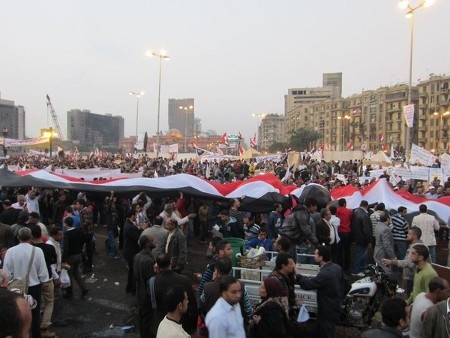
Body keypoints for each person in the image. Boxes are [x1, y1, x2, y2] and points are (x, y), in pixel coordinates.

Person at [3, 227, 49, 338]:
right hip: (34, 287)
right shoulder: (37, 251)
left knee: (17, 315)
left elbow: (6, 273)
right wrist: (44, 283)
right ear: (31, 237)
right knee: (35, 315)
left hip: (15, 287)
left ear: (18, 237)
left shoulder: (10, 251)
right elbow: (43, 273)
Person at [295, 245, 346, 338]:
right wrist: (339, 297)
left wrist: (297, 273)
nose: (314, 256)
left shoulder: (324, 273)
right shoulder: (337, 268)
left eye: (315, 254)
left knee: (327, 333)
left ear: (321, 257)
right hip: (334, 307)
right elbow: (347, 284)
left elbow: (307, 285)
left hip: (326, 310)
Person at [149, 253, 198, 337]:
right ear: (170, 262)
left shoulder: (153, 281)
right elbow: (193, 305)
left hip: (161, 321)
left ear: (157, 265)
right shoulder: (183, 280)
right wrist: (193, 325)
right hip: (182, 322)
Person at [382, 227, 427, 296]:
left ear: (415, 236)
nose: (407, 235)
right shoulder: (419, 246)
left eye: (409, 234)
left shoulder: (416, 248)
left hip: (413, 278)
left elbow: (409, 263)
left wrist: (392, 262)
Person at [30, 225, 57, 338]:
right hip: (47, 278)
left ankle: (35, 325)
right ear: (41, 234)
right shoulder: (49, 248)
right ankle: (44, 326)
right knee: (49, 302)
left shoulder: (30, 250)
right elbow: (54, 261)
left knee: (36, 304)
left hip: (34, 280)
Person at [133, 234, 156, 338]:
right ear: (147, 244)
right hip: (147, 296)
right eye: (152, 240)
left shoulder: (137, 256)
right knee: (147, 320)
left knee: (142, 318)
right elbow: (151, 282)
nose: (154, 241)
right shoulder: (149, 261)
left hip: (140, 293)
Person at [61, 217, 88, 300]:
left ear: (66, 224)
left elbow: (66, 248)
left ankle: (69, 293)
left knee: (69, 274)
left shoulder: (67, 234)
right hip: (79, 255)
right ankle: (84, 288)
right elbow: (84, 240)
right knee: (76, 273)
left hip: (70, 257)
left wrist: (63, 260)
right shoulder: (78, 232)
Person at [351, 200, 372, 277]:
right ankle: (356, 270)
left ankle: (360, 268)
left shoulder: (356, 212)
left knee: (360, 254)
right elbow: (366, 229)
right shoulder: (364, 215)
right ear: (366, 206)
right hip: (363, 238)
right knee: (360, 254)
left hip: (357, 237)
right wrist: (369, 241)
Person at [123, 209, 141, 294]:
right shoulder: (130, 227)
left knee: (131, 271)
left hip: (129, 251)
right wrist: (141, 229)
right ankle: (133, 288)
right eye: (136, 215)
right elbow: (137, 238)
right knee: (133, 272)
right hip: (131, 252)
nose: (136, 217)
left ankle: (129, 287)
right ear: (132, 216)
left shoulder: (129, 224)